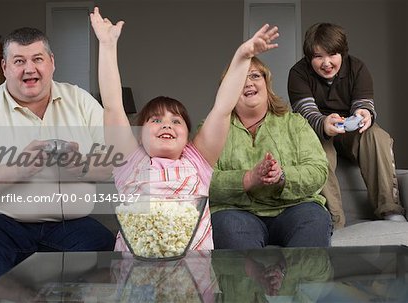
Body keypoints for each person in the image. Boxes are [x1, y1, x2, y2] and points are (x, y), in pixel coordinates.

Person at [90, 7, 280, 251]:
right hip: (136, 274)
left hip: (194, 273)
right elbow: (113, 107)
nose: (166, 124)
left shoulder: (196, 160)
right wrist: (107, 45)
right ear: (139, 133)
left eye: (176, 121)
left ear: (188, 136)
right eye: (155, 120)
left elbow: (222, 108)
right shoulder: (130, 162)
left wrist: (242, 56)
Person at [0, 27, 115, 295]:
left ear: (52, 63)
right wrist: (19, 168)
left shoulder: (81, 102)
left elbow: (117, 166)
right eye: (19, 61)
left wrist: (82, 167)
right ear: (5, 67)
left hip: (70, 225)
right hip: (0, 224)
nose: (29, 68)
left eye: (37, 59)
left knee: (106, 244)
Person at [287, 23, 406, 229]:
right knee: (316, 148)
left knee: (377, 135)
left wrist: (364, 113)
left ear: (342, 53)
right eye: (318, 56)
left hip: (353, 131)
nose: (326, 63)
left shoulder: (358, 68)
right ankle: (333, 219)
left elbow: (363, 103)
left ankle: (390, 209)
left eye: (332, 54)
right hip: (318, 132)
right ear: (309, 58)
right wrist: (324, 123)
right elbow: (306, 112)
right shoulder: (298, 73)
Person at [209, 56, 332, 249]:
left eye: (255, 76)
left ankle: (298, 280)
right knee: (228, 226)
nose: (248, 83)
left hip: (296, 208)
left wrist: (282, 176)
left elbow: (318, 170)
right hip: (235, 211)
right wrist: (248, 178)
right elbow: (200, 179)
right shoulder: (211, 128)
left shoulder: (295, 123)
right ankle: (254, 279)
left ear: (266, 82)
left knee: (314, 219)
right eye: (240, 78)